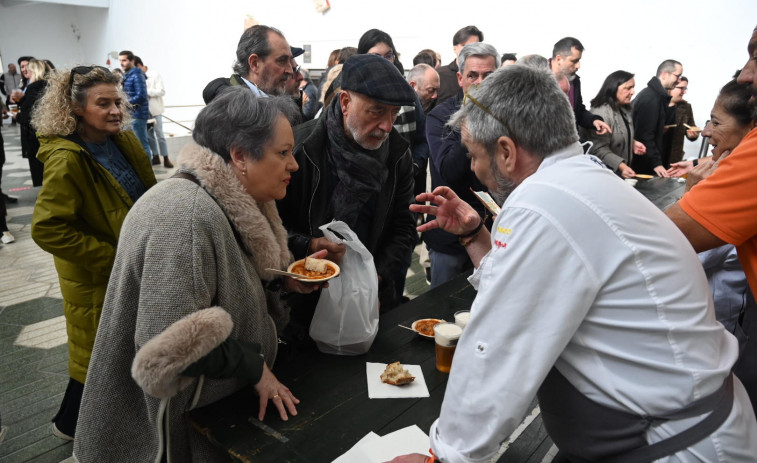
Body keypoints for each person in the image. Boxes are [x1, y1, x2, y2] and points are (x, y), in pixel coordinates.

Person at [391, 64, 757, 463]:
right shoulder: (581, 178)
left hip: (671, 446)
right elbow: (522, 291)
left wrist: (444, 455)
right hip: (669, 430)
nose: (475, 169)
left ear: (507, 151)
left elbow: (494, 348)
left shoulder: (542, 202)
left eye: (475, 155)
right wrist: (474, 235)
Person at [74, 87, 317, 462]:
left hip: (202, 411)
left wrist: (280, 279)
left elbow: (225, 276)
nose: (294, 165)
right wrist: (254, 367)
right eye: (283, 153)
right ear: (239, 155)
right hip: (159, 437)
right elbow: (166, 347)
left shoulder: (223, 198)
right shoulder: (183, 216)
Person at [29, 66, 157, 440]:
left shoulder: (124, 141)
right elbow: (47, 227)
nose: (116, 110)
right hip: (96, 277)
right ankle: (71, 427)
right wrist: (111, 257)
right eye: (103, 103)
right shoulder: (68, 159)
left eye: (118, 101)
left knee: (110, 351)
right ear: (75, 108)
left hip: (130, 264)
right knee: (97, 355)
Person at [277, 54, 417, 346]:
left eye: (393, 114)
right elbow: (268, 229)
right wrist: (308, 246)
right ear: (344, 103)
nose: (387, 126)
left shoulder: (397, 154)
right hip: (303, 306)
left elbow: (404, 227)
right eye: (376, 111)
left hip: (371, 300)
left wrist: (374, 281)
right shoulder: (299, 151)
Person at [666, 74, 757, 414]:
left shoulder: (743, 180)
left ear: (748, 131)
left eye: (716, 123)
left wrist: (694, 190)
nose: (705, 132)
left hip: (719, 326)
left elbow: (672, 244)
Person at [424, 43, 497, 288]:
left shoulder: (506, 116)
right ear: (460, 78)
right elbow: (449, 171)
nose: (480, 82)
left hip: (493, 230)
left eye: (488, 76)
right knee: (444, 312)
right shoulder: (439, 117)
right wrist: (471, 121)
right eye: (473, 75)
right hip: (451, 231)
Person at [202, 25, 294, 103]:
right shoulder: (231, 111)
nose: (290, 71)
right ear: (255, 63)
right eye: (282, 60)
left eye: (290, 61)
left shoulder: (272, 102)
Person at [584, 70, 647, 178]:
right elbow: (598, 149)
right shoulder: (601, 112)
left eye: (633, 87)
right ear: (613, 88)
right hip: (604, 176)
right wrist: (621, 166)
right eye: (628, 88)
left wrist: (631, 142)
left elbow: (617, 133)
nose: (633, 92)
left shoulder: (624, 109)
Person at [550, 37, 612, 136]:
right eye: (574, 61)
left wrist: (593, 121)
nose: (578, 65)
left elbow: (578, 111)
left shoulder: (574, 80)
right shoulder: (533, 79)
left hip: (569, 145)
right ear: (559, 59)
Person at [631, 59, 684, 176]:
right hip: (642, 165)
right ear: (664, 75)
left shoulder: (655, 96)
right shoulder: (651, 98)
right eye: (677, 76)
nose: (679, 80)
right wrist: (656, 163)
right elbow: (645, 135)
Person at [10, 59, 48, 186]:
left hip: (35, 136)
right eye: (22, 67)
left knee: (40, 168)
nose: (24, 70)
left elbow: (28, 116)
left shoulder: (33, 87)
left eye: (27, 67)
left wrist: (17, 116)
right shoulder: (44, 85)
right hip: (43, 133)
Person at [135, 56, 173, 168]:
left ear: (139, 65)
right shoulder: (138, 77)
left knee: (160, 134)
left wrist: (146, 92)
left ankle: (166, 157)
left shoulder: (154, 74)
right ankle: (155, 156)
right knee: (149, 136)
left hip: (155, 110)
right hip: (144, 111)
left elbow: (161, 91)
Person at [119, 50, 153, 162]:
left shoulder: (137, 75)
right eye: (120, 60)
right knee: (134, 146)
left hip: (137, 115)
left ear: (132, 61)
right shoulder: (128, 75)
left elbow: (142, 96)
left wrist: (125, 103)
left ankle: (149, 173)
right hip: (131, 114)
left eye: (124, 60)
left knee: (142, 145)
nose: (121, 63)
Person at [437, 26, 484, 104]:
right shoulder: (440, 76)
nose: (472, 51)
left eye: (476, 47)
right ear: (455, 49)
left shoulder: (486, 77)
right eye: (467, 47)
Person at [663, 76, 699, 165]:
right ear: (671, 87)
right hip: (654, 156)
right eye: (681, 88)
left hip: (674, 158)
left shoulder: (686, 107)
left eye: (685, 88)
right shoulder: (655, 103)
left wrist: (692, 134)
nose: (684, 91)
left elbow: (691, 127)